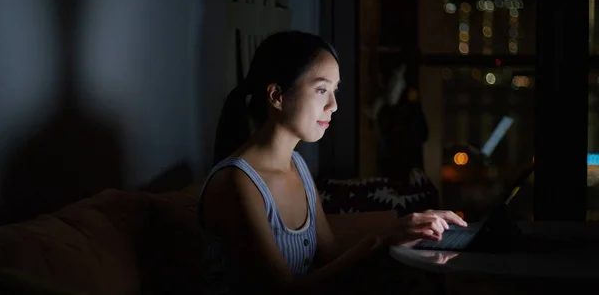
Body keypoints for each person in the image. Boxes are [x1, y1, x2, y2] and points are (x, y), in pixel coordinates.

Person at [197, 31, 467, 295]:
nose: (334, 105)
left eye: (334, 90)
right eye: (321, 89)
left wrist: (404, 231)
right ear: (276, 96)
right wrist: (383, 240)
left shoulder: (297, 166)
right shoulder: (237, 181)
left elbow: (330, 258)